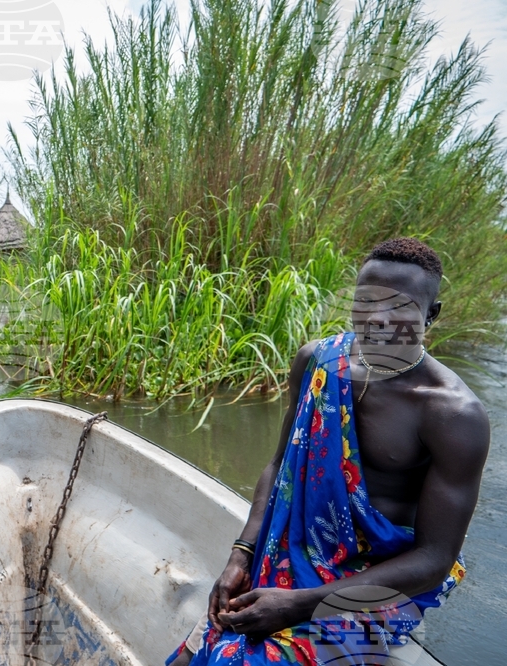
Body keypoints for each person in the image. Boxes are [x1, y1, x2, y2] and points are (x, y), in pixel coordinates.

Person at [168, 238, 490, 665]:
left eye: (401, 307)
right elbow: (280, 464)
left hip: (381, 578)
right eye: (366, 301)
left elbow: (433, 559)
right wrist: (240, 554)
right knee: (199, 652)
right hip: (293, 553)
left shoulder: (452, 414)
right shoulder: (317, 363)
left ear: (431, 314)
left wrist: (301, 603)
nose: (378, 317)